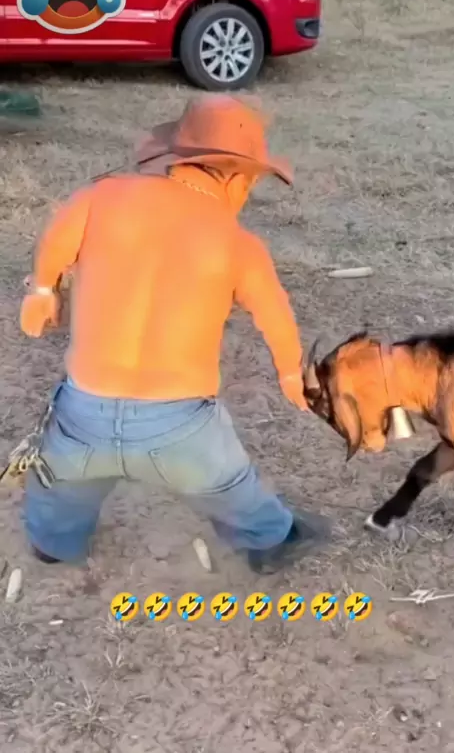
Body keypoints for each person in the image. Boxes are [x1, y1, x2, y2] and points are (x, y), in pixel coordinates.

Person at [19, 94, 331, 574]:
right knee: (231, 485)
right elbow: (276, 315)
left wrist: (43, 289)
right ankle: (271, 538)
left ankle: (54, 544)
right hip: (182, 428)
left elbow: (58, 236)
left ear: (175, 156)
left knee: (59, 488)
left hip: (84, 413)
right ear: (237, 178)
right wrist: (291, 373)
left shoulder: (102, 197)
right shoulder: (240, 244)